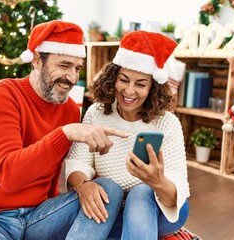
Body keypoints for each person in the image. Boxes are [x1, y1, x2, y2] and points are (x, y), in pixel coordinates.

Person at [0, 20, 129, 240]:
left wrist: (85, 184)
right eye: (64, 66)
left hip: (39, 216)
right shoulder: (2, 95)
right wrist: (65, 134)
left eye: (77, 68)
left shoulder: (70, 110)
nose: (72, 78)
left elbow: (54, 177)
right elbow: (9, 176)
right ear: (37, 60)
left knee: (107, 191)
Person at [65, 30, 190, 240]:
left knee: (141, 193)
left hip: (164, 209)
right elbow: (77, 162)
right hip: (113, 208)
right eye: (123, 80)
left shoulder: (167, 123)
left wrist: (157, 181)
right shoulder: (97, 113)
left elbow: (177, 194)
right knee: (109, 189)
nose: (129, 91)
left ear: (152, 88)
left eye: (140, 84)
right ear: (113, 78)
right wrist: (83, 185)